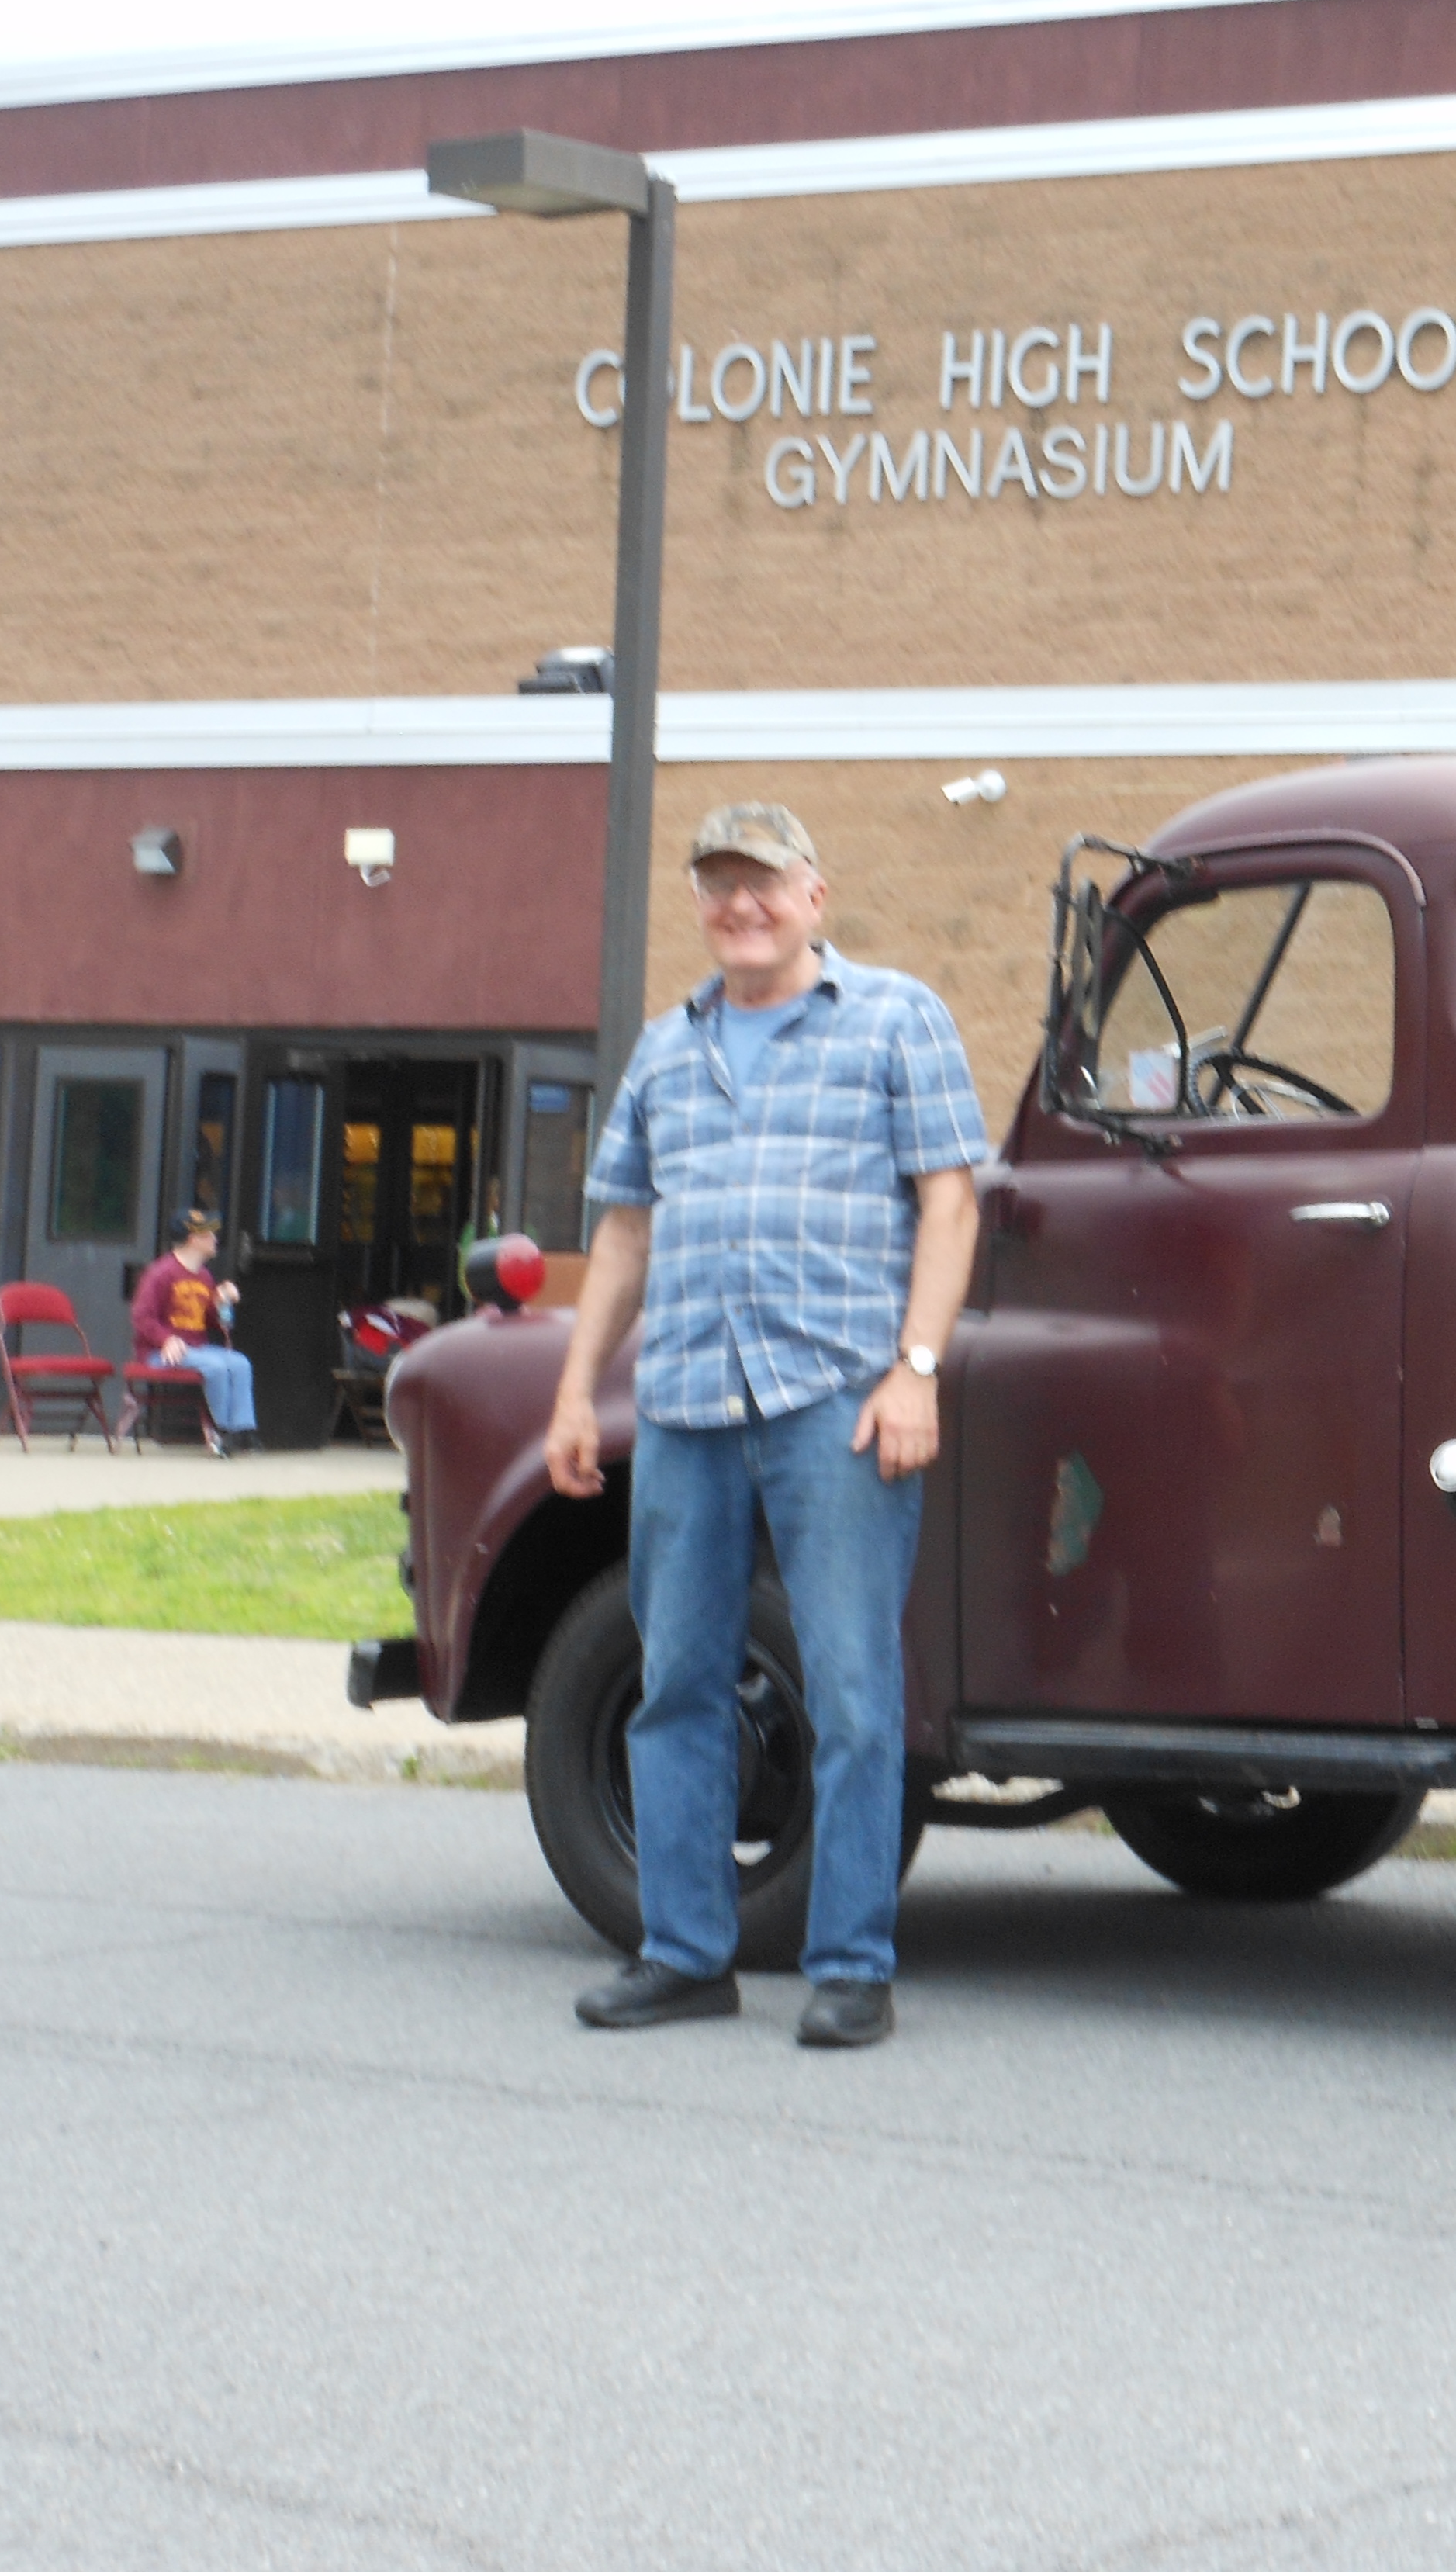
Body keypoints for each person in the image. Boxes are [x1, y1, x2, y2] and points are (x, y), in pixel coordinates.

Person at [545, 801, 991, 2050]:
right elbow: (625, 1232)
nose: (742, 906)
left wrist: (916, 1372)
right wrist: (580, 1389)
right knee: (675, 1682)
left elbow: (949, 1207)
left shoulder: (898, 1019)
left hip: (836, 1403)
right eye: (720, 885)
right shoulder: (666, 1051)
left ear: (815, 895)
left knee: (851, 1688)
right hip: (685, 1400)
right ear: (701, 902)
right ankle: (685, 1954)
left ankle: (851, 1964)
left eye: (766, 883)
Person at [129, 1210, 254, 1452]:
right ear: (193, 1239)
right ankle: (223, 1431)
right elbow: (141, 1317)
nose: (215, 1239)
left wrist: (221, 1302)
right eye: (209, 1234)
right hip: (159, 1353)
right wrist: (165, 1339)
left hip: (197, 1349)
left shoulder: (204, 1276)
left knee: (240, 1363)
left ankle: (243, 1430)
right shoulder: (161, 1273)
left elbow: (212, 1321)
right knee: (216, 1367)